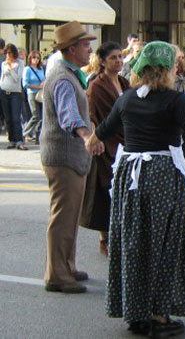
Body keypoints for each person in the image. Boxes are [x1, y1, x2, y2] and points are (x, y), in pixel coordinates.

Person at [85, 41, 185, 337]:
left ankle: (135, 312)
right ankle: (158, 315)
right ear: (167, 70)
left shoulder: (127, 98)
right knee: (164, 244)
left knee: (134, 243)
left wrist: (91, 143)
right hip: (162, 176)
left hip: (130, 176)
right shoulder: (174, 100)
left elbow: (100, 134)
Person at [40, 21, 101, 294]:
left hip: (69, 156)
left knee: (69, 215)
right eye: (86, 45)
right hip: (63, 157)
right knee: (63, 217)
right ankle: (57, 275)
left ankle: (67, 265)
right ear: (72, 48)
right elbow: (69, 115)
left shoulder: (69, 73)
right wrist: (88, 136)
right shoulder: (63, 77)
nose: (90, 49)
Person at [80, 41, 129, 257]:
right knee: (104, 192)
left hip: (127, 145)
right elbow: (91, 115)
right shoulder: (96, 86)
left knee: (124, 192)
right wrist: (94, 138)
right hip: (106, 145)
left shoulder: (125, 83)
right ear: (102, 61)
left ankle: (122, 234)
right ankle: (105, 238)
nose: (118, 61)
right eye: (113, 58)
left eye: (120, 57)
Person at [1, 43, 26, 150]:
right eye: (6, 53)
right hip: (4, 91)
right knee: (8, 118)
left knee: (16, 117)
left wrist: (10, 68)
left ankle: (19, 140)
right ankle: (11, 140)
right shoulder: (3, 64)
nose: (8, 55)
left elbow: (17, 78)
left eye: (9, 53)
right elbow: (2, 76)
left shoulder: (20, 63)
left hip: (15, 93)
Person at [22, 50, 45, 144]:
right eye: (34, 57)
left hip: (41, 94)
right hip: (32, 93)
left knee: (42, 116)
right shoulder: (27, 69)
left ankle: (37, 134)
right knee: (36, 115)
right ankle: (24, 132)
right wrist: (37, 86)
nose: (36, 60)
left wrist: (43, 84)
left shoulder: (41, 69)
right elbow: (25, 84)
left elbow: (44, 78)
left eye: (38, 58)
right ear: (30, 59)